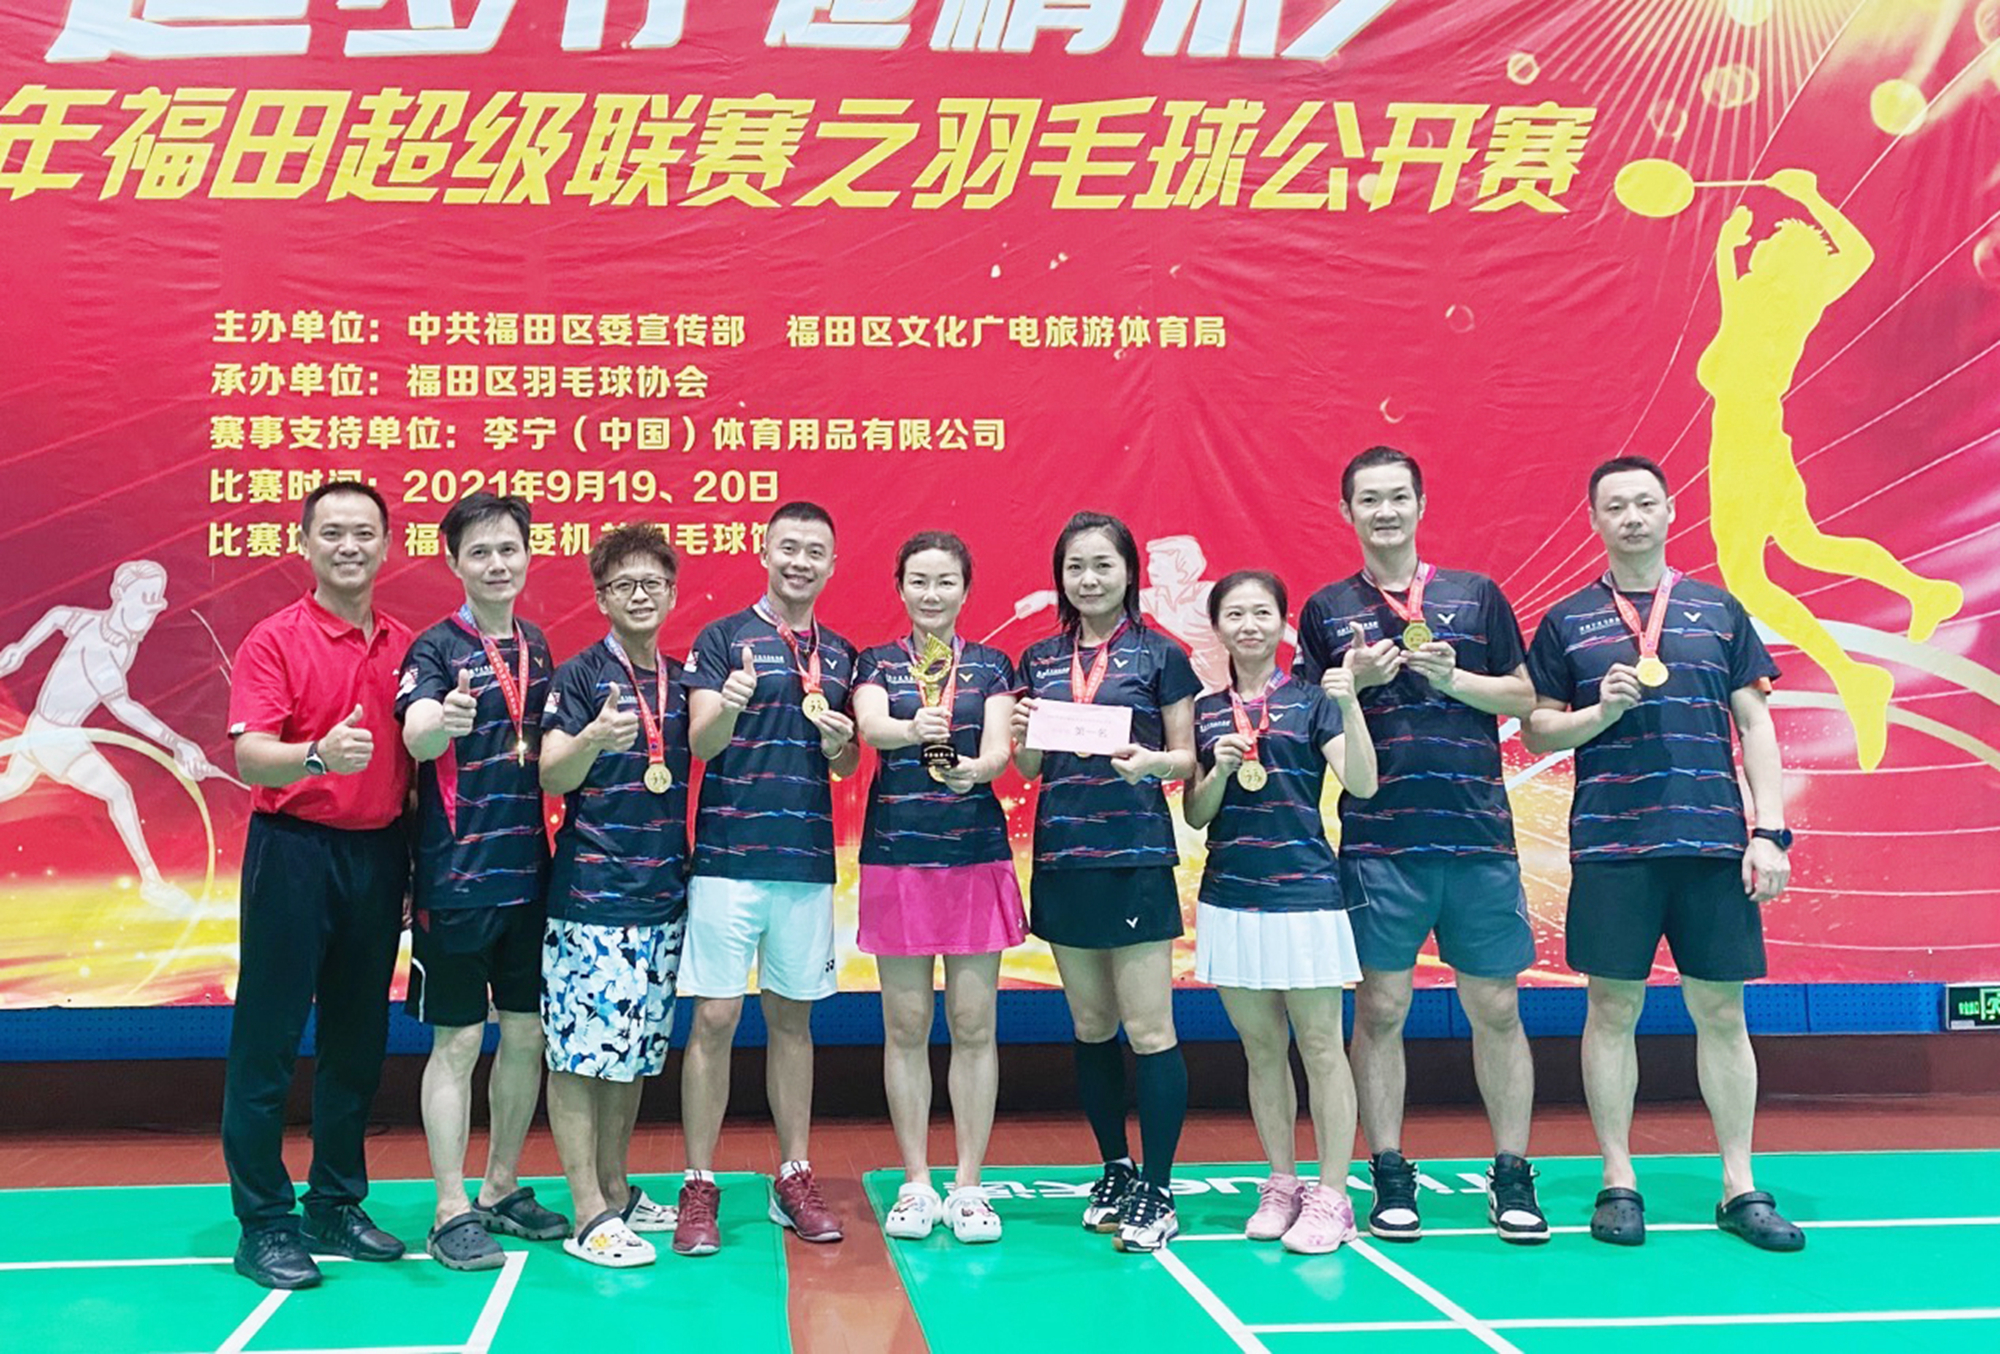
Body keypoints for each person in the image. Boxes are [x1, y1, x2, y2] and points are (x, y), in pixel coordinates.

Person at [1524, 455, 1803, 1253]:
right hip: (1613, 845)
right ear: (1594, 520)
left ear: (1672, 511)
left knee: (1722, 1012)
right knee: (1612, 1011)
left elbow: (1754, 724)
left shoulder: (1718, 609)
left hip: (1713, 843)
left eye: (1646, 502)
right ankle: (1619, 1180)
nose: (1633, 517)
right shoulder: (1569, 620)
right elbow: (1539, 729)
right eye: (1616, 506)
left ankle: (1740, 1185)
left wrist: (1769, 830)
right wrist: (1597, 714)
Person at [1293, 446, 1548, 1244]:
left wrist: (1453, 679)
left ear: (1421, 503)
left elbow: (1525, 696)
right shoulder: (1327, 609)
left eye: (1398, 496)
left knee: (1496, 1006)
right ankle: (1389, 1171)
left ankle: (1512, 1173)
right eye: (1369, 499)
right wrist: (1357, 683)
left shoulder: (1477, 596)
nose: (1385, 511)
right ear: (1347, 512)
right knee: (1381, 1007)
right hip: (1380, 842)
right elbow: (1305, 713)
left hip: (1477, 836)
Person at [1700, 168, 1961, 770]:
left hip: (1747, 447)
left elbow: (1859, 255)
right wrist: (1724, 249)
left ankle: (1854, 675)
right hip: (1751, 443)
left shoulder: (1788, 301)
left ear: (1787, 262)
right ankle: (1918, 594)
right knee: (1804, 547)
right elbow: (1729, 303)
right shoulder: (1758, 299)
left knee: (1748, 577)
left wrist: (1810, 197)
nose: (1762, 243)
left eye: (1772, 241)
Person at [220, 481, 414, 1289]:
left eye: (364, 532)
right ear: (304, 545)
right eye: (331, 532)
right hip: (294, 853)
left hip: (379, 857)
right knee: (267, 1041)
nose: (348, 546)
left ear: (386, 545)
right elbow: (249, 757)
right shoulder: (275, 640)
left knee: (356, 1042)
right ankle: (265, 1222)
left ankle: (333, 1201)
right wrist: (316, 757)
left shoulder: (409, 646)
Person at [1011, 510, 1200, 1254]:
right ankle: (1115, 1168)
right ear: (1060, 578)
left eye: (1102, 565)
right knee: (1090, 1026)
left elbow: (1186, 756)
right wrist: (1022, 733)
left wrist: (1152, 763)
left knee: (1149, 1029)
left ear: (1128, 572)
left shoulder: (1163, 654)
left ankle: (1159, 1186)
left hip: (1134, 859)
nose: (1088, 579)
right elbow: (1030, 768)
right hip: (1063, 857)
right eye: (1075, 567)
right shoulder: (1038, 659)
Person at [674, 502, 860, 1255]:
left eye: (815, 550)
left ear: (832, 565)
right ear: (763, 550)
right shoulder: (721, 639)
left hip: (805, 862)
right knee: (715, 1019)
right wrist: (730, 705)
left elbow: (847, 763)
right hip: (727, 858)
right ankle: (698, 1183)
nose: (800, 561)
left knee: (792, 1021)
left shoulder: (841, 654)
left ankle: (794, 1175)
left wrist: (841, 744)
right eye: (789, 547)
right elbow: (700, 742)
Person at [395, 492, 565, 1272]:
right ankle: (449, 1207)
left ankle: (500, 1186)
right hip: (455, 882)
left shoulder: (537, 644)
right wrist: (442, 721)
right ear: (454, 562)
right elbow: (416, 736)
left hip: (528, 878)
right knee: (459, 1042)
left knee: (526, 1036)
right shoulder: (434, 649)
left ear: (527, 555)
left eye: (508, 549)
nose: (497, 564)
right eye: (481, 553)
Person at [1185, 570, 1376, 1254]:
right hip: (1231, 895)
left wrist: (1351, 704)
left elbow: (1362, 781)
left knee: (1321, 1045)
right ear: (1218, 627)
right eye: (1235, 614)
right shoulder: (1205, 711)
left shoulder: (1312, 700)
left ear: (1282, 623)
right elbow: (1196, 813)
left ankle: (1333, 1194)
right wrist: (1218, 771)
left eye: (1262, 612)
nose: (1249, 625)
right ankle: (1282, 1182)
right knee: (1261, 1048)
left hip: (1305, 895)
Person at [852, 531, 1023, 1245]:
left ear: (965, 589)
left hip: (975, 856)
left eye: (945, 581)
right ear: (900, 588)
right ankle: (917, 1181)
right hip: (898, 857)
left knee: (975, 1026)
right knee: (906, 1027)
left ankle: (970, 1184)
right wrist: (909, 727)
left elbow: (999, 749)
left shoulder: (992, 665)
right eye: (918, 581)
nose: (931, 593)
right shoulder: (876, 661)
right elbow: (869, 727)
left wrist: (976, 771)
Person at [538, 525, 693, 1268]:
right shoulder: (577, 677)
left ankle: (618, 1189)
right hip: (591, 895)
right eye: (623, 585)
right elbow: (551, 774)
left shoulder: (683, 681)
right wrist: (594, 737)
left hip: (662, 895)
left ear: (672, 593)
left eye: (651, 583)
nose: (639, 596)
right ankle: (587, 1212)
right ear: (601, 598)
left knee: (631, 1053)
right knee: (578, 1055)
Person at [0, 560, 226, 915]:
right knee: (119, 792)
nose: (150, 611)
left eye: (155, 602)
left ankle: (152, 883)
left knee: (11, 785)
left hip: (41, 731)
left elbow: (57, 616)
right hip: (54, 738)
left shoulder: (105, 631)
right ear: (119, 594)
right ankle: (152, 882)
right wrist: (176, 742)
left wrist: (21, 648)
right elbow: (124, 708)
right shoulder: (101, 651)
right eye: (144, 599)